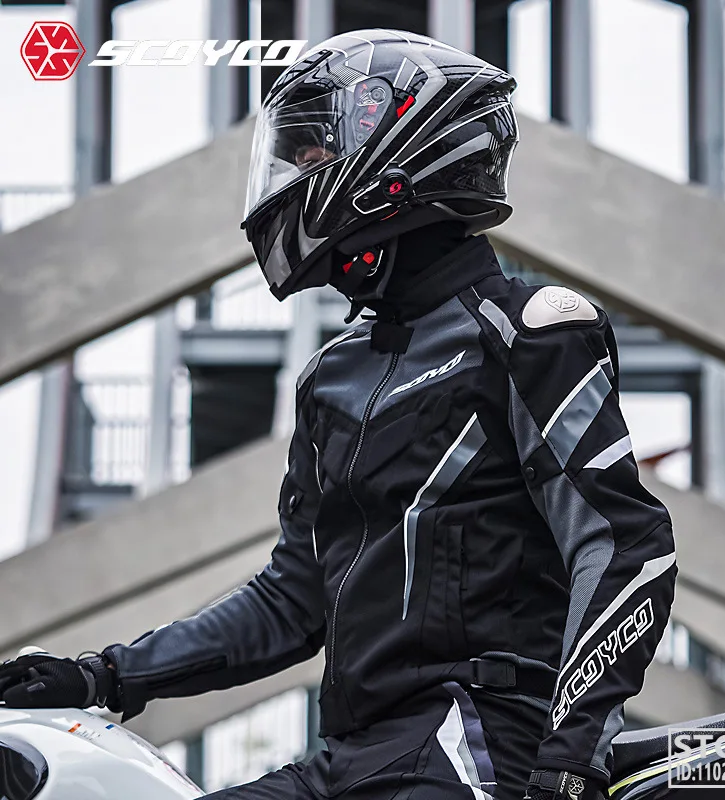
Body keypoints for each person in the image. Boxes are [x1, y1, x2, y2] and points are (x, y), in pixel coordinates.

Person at [0, 30, 677, 800]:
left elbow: (623, 545)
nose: (296, 173)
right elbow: (293, 599)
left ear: (400, 150)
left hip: (483, 747)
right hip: (356, 756)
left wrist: (574, 752)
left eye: (314, 152)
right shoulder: (333, 376)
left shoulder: (531, 330)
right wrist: (103, 675)